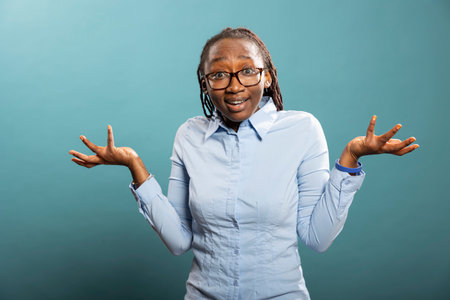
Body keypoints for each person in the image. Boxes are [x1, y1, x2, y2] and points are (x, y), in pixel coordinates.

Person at [69, 27, 419, 299]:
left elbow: (318, 237)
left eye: (247, 71)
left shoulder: (302, 129)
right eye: (219, 75)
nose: (234, 86)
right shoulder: (189, 135)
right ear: (205, 85)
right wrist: (135, 165)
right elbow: (178, 241)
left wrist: (350, 161)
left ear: (267, 76)